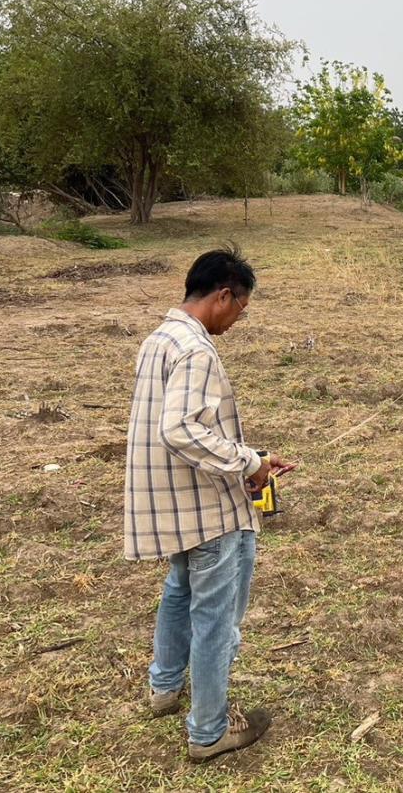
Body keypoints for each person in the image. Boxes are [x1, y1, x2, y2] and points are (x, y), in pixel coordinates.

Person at [124, 245, 291, 761]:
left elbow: (177, 426)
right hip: (207, 514)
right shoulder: (198, 351)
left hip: (175, 505)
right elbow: (179, 429)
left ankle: (165, 687)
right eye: (242, 308)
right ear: (224, 295)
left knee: (178, 593)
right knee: (216, 619)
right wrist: (248, 463)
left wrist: (250, 456)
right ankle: (208, 732)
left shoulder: (160, 339)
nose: (239, 319)